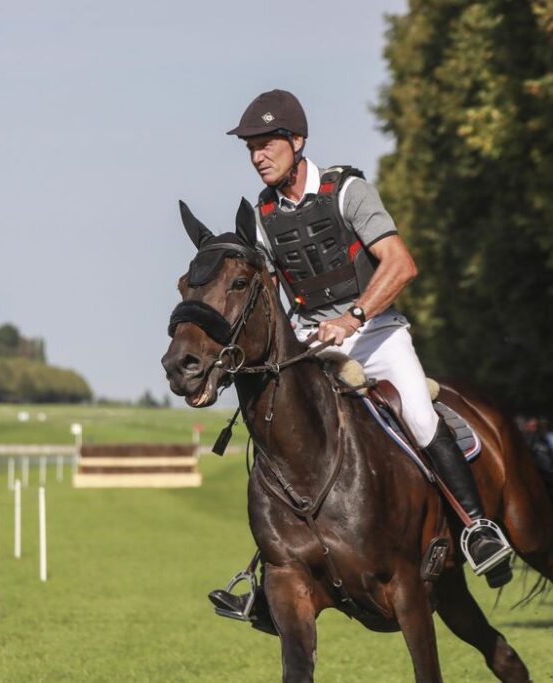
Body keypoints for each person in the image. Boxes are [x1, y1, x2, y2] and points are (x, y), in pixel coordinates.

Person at [208, 89, 514, 626]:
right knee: (284, 435)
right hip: (313, 342)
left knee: (419, 414)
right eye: (251, 147)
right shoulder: (260, 216)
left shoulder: (347, 190)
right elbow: (265, 297)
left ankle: (476, 527)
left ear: (297, 141)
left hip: (376, 332)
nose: (258, 155)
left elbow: (400, 265)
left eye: (266, 144)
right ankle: (267, 575)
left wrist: (352, 318)